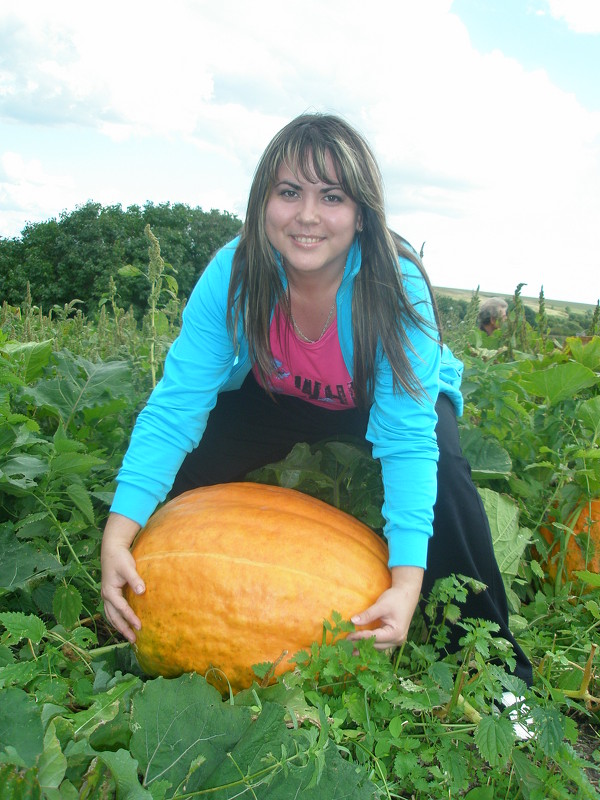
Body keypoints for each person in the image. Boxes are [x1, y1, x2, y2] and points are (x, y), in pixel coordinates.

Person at [101, 113, 532, 687]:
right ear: (262, 204)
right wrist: (118, 530)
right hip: (281, 392)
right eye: (288, 192)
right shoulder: (234, 274)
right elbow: (176, 405)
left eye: (332, 196)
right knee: (189, 458)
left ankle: (497, 673)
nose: (307, 215)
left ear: (361, 215)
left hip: (382, 396)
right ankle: (145, 588)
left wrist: (405, 582)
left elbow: (405, 439)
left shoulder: (395, 287)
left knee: (446, 474)